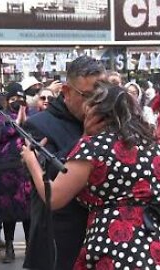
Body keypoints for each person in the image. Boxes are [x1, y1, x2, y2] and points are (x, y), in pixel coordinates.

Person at [22, 84, 160, 269]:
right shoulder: (156, 146)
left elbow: (54, 197)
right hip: (158, 236)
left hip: (113, 240)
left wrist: (32, 161)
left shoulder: (93, 147)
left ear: (97, 112)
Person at [22, 56, 105, 270]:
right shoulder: (38, 125)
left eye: (100, 95)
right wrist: (85, 138)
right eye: (87, 96)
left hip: (102, 236)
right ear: (66, 92)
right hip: (59, 241)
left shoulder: (108, 122)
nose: (94, 104)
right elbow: (48, 181)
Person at [0, 82, 31, 264]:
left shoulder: (30, 115)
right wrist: (18, 120)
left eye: (19, 99)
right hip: (6, 171)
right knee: (8, 214)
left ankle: (31, 247)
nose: (16, 102)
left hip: (25, 171)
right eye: (13, 99)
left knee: (28, 213)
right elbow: (4, 132)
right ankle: (10, 247)